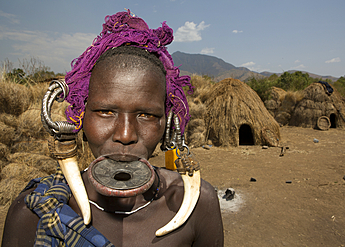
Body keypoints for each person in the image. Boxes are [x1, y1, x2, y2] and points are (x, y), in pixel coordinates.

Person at [1, 9, 223, 247]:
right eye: (106, 112)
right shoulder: (34, 214)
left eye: (146, 115)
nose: (125, 135)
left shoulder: (197, 204)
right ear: (79, 117)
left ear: (167, 125)